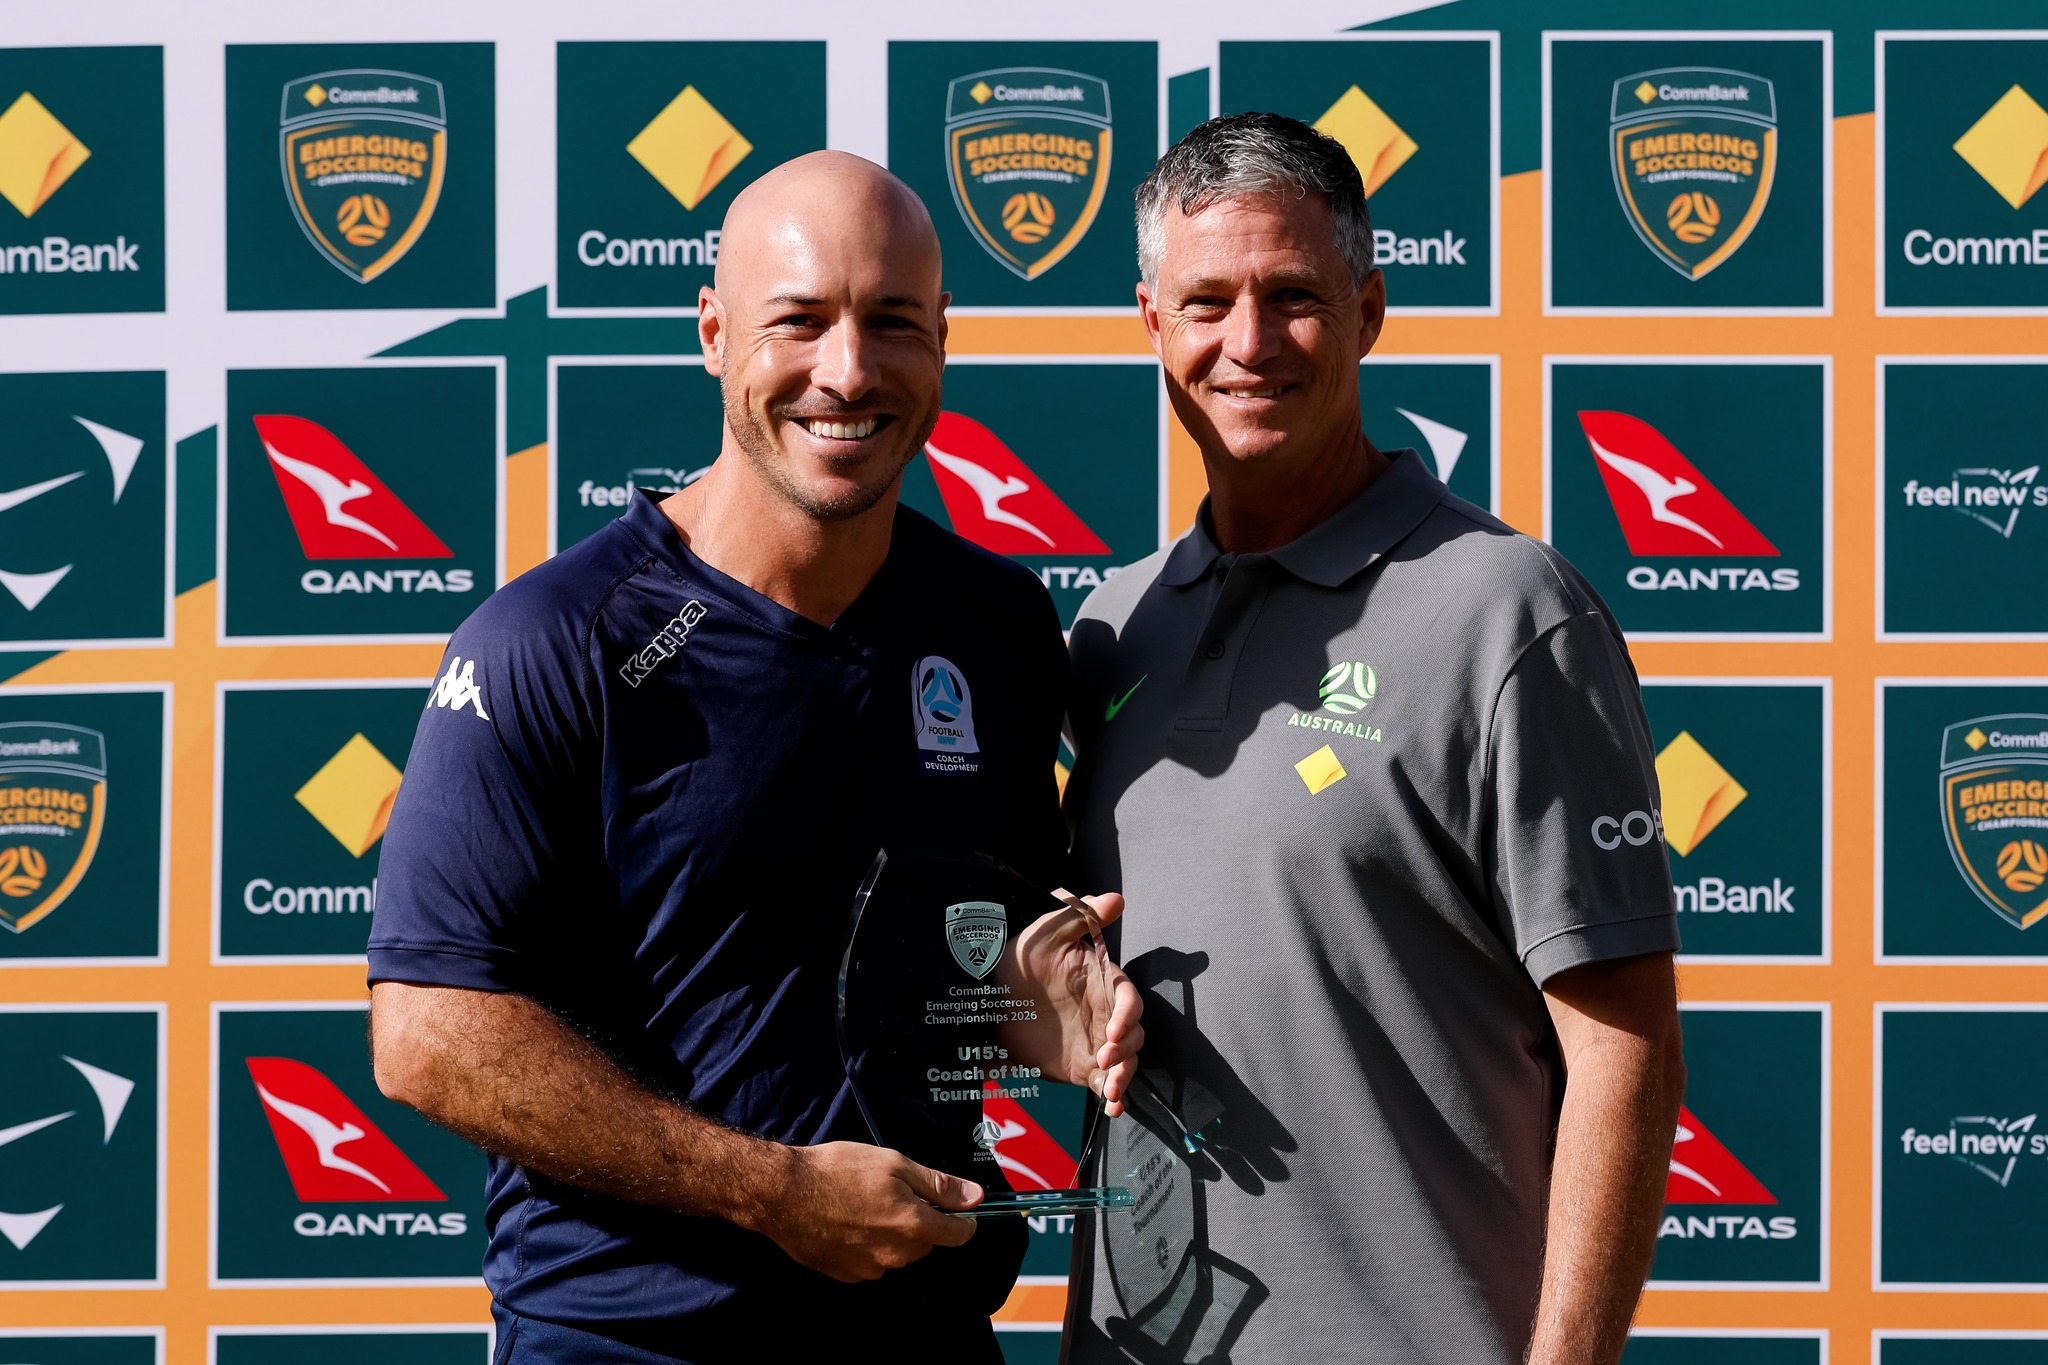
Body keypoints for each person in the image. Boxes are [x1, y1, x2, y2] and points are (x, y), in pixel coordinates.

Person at [364, 151, 1140, 1364]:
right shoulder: (557, 639)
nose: (847, 370)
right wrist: (772, 1190)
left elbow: (969, 956)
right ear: (715, 334)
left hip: (922, 1336)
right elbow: (428, 1034)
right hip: (627, 1342)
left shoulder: (995, 624)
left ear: (942, 339)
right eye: (800, 321)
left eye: (891, 322)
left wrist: (1042, 1007)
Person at [1059, 113, 1685, 1365]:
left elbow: (1623, 1049)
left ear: (1369, 310)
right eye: (1206, 302)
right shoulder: (1110, 627)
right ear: (1149, 326)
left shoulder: (1505, 609)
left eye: (1292, 296)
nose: (1248, 343)